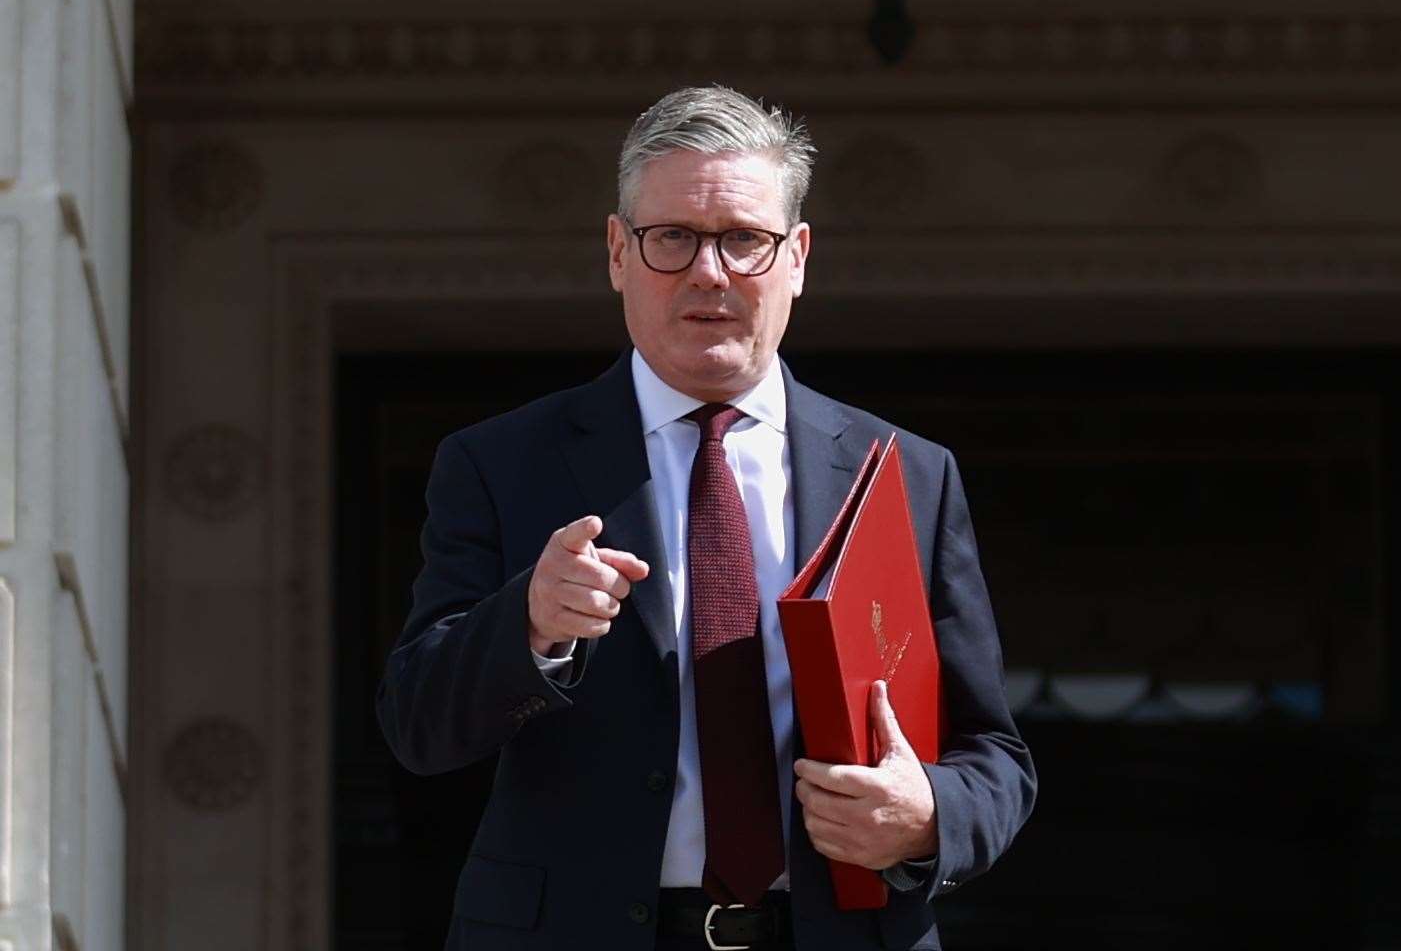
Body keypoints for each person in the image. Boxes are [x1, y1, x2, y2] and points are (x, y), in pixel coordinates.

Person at [376, 85, 1036, 951]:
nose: (709, 272)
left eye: (744, 241)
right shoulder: (501, 463)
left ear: (796, 257)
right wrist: (529, 624)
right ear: (618, 252)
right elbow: (417, 727)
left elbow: (995, 758)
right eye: (673, 237)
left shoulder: (907, 474)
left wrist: (925, 819)